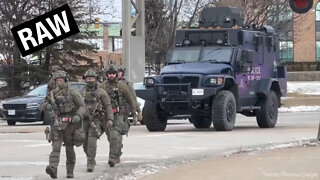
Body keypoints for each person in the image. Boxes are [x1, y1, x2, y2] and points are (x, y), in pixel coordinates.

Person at [45, 70, 87, 179]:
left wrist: (78, 115)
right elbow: (44, 104)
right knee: (56, 147)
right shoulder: (52, 93)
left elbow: (83, 106)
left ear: (65, 80)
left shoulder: (73, 92)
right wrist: (47, 106)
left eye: (61, 80)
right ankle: (53, 168)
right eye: (57, 80)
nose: (59, 82)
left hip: (70, 124)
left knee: (69, 148)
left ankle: (70, 171)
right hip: (57, 124)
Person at [101, 65, 137, 167]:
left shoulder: (122, 86)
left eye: (113, 73)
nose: (111, 75)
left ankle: (113, 157)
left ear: (116, 74)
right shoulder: (102, 86)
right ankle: (117, 152)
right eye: (109, 74)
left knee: (114, 134)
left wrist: (134, 113)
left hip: (118, 115)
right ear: (107, 75)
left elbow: (131, 100)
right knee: (111, 137)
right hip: (107, 115)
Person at [81, 69, 114, 172]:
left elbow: (108, 106)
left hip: (97, 119)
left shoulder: (101, 92)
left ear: (95, 79)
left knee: (92, 140)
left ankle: (90, 162)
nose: (90, 80)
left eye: (92, 78)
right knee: (85, 142)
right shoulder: (81, 93)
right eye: (88, 78)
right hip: (85, 120)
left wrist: (110, 119)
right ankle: (90, 158)